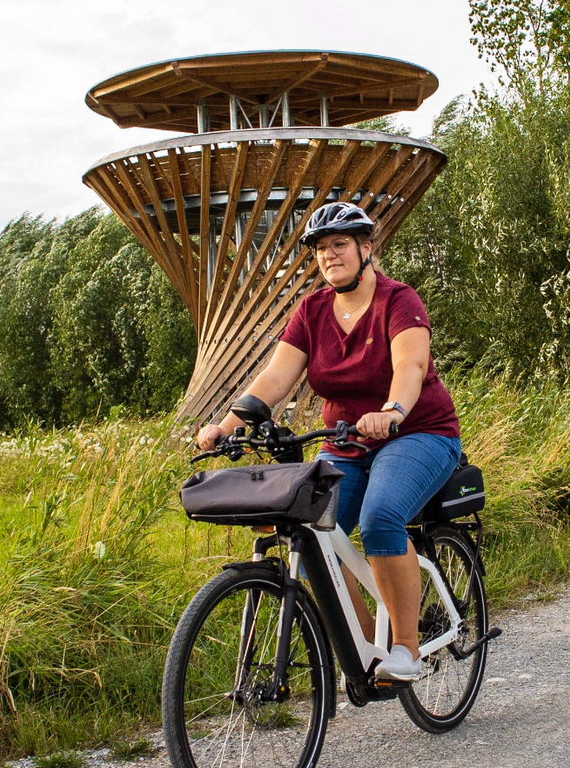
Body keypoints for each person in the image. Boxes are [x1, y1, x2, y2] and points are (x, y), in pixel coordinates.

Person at [196, 201, 464, 683]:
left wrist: (392, 411)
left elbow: (410, 366)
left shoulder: (399, 299)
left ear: (365, 248)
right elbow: (276, 377)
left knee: (382, 516)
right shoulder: (313, 310)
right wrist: (225, 425)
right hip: (344, 439)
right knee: (312, 530)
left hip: (417, 431)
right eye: (321, 248)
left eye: (339, 244)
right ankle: (366, 649)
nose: (329, 255)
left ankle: (405, 647)